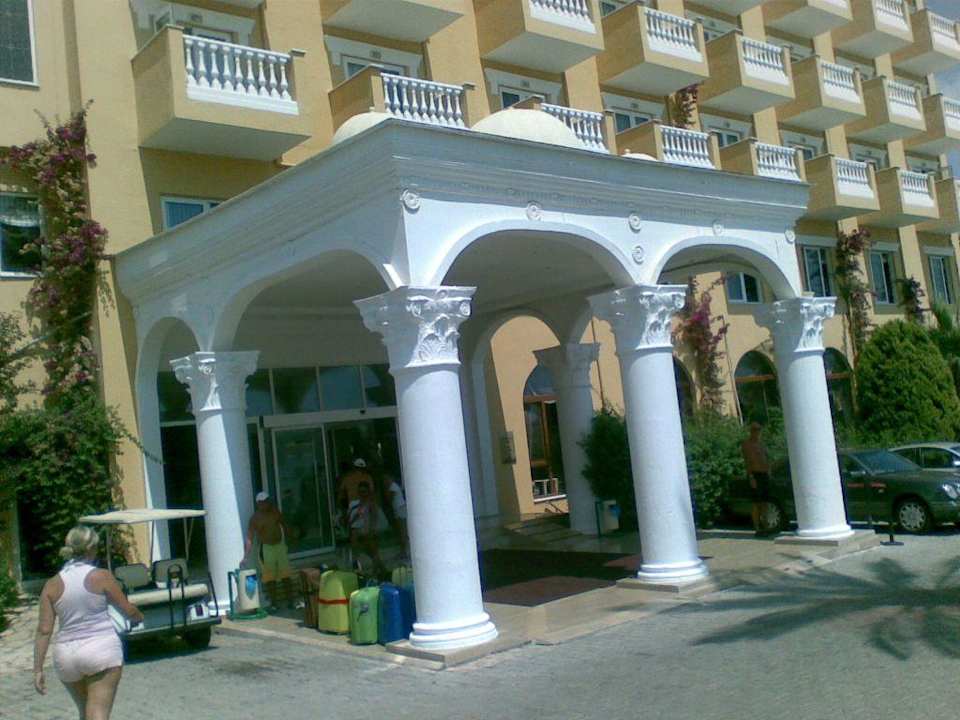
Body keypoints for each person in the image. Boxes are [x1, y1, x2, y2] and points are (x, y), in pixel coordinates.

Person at [33, 526, 144, 720]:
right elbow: (127, 609)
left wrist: (38, 669)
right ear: (91, 548)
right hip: (100, 648)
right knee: (98, 713)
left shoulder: (51, 584)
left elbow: (44, 630)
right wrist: (139, 617)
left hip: (66, 655)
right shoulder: (101, 576)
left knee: (85, 713)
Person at [245, 491, 295, 610]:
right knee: (269, 578)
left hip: (280, 546)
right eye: (263, 502)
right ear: (258, 503)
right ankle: (274, 603)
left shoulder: (275, 511)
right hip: (266, 549)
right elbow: (250, 538)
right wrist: (245, 556)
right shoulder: (255, 519)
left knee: (286, 575)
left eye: (267, 501)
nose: (266, 503)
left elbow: (284, 524)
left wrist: (291, 538)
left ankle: (290, 601)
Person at [348, 480, 387, 577]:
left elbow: (374, 519)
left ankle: (378, 573)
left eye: (364, 492)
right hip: (360, 533)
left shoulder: (371, 504)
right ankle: (383, 572)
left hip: (370, 532)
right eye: (360, 492)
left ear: (368, 492)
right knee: (371, 554)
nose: (362, 494)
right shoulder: (356, 504)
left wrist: (371, 531)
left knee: (374, 553)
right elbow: (352, 520)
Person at [741, 422, 773, 536]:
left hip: (764, 474)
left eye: (758, 430)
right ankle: (757, 527)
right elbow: (747, 461)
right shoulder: (747, 444)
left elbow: (767, 458)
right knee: (756, 503)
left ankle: (765, 525)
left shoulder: (761, 444)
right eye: (754, 430)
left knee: (765, 502)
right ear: (751, 431)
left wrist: (769, 471)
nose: (757, 432)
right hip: (755, 475)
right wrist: (750, 477)